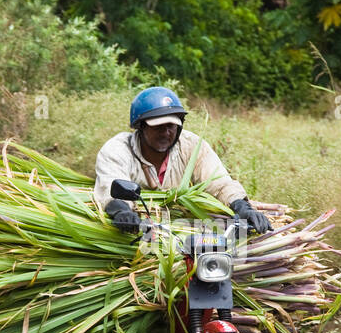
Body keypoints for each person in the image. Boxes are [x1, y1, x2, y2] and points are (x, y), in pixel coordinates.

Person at [93, 87, 271, 235]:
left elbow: (219, 182)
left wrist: (242, 207)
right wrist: (123, 211)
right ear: (141, 127)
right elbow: (110, 188)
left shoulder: (191, 146)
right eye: (157, 127)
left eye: (170, 126)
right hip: (141, 233)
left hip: (185, 232)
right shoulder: (117, 149)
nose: (165, 133)